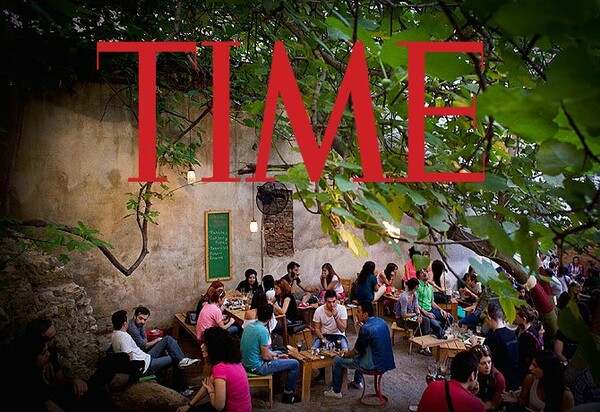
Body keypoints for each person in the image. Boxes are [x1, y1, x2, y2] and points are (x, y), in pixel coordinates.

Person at [20, 319, 120, 411]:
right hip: (53, 401)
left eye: (56, 335)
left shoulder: (51, 351)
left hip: (59, 393)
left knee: (97, 392)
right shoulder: (27, 372)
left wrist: (74, 381)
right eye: (52, 338)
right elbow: (44, 402)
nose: (57, 340)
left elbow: (60, 379)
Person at [111, 310, 197, 396]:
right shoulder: (124, 337)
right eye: (126, 319)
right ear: (124, 323)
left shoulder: (115, 334)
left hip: (146, 356)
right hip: (145, 366)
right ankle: (182, 388)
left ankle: (183, 360)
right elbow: (129, 359)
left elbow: (143, 340)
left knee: (167, 339)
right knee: (176, 358)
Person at [323, 301, 395, 398]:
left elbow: (355, 352)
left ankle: (336, 391)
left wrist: (344, 354)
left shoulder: (366, 329)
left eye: (359, 311)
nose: (356, 314)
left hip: (373, 365)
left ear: (365, 314)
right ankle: (357, 381)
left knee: (337, 360)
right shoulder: (381, 322)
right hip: (386, 362)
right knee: (362, 353)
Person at [176, 327, 251, 412]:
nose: (202, 346)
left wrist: (211, 392)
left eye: (205, 344)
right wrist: (189, 405)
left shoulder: (220, 369)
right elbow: (207, 384)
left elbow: (218, 406)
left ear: (214, 348)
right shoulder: (232, 361)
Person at [240, 304, 301, 404]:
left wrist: (277, 356)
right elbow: (265, 356)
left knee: (280, 352)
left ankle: (276, 387)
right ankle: (288, 395)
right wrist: (275, 358)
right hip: (258, 367)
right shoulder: (263, 331)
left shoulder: (249, 326)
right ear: (270, 317)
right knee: (294, 364)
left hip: (246, 363)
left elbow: (263, 352)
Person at [501, 350, 574, 412]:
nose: (530, 368)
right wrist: (517, 400)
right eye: (531, 364)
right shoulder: (530, 380)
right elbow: (523, 402)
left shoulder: (566, 396)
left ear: (547, 370)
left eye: (535, 366)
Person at [127, 305, 199, 367]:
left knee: (171, 343)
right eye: (140, 318)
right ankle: (182, 361)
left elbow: (145, 338)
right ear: (135, 316)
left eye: (145, 319)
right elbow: (144, 346)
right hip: (144, 357)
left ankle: (182, 360)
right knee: (172, 351)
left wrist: (146, 341)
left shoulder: (139, 324)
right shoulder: (132, 328)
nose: (142, 321)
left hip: (144, 353)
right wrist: (157, 340)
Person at [417, 351, 485, 412]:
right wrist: (472, 397)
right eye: (477, 374)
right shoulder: (477, 405)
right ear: (473, 376)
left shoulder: (433, 385)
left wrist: (470, 394)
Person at [483, 302, 521, 391]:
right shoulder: (512, 335)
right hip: (515, 379)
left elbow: (483, 357)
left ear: (489, 318)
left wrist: (474, 344)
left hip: (501, 381)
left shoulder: (493, 338)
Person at [394, 278, 432, 355]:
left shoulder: (415, 295)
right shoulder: (404, 297)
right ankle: (423, 346)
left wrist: (419, 315)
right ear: (416, 286)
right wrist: (416, 314)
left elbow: (416, 307)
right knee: (424, 324)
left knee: (426, 320)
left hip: (410, 317)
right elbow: (404, 315)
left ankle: (424, 345)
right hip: (402, 320)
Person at [417, 269, 454, 338]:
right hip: (421, 311)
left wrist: (441, 310)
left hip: (430, 310)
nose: (424, 273)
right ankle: (440, 335)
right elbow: (415, 303)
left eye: (425, 271)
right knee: (436, 324)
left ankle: (438, 334)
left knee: (449, 318)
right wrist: (425, 312)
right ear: (419, 277)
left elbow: (432, 302)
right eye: (422, 273)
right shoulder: (417, 286)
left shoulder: (430, 287)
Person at [470, 344, 506, 411]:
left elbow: (495, 405)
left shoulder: (498, 378)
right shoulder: (471, 374)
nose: (487, 367)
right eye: (483, 363)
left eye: (489, 362)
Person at [514, 305, 543, 379]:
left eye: (516, 316)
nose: (513, 318)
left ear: (524, 319)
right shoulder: (519, 329)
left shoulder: (528, 335)